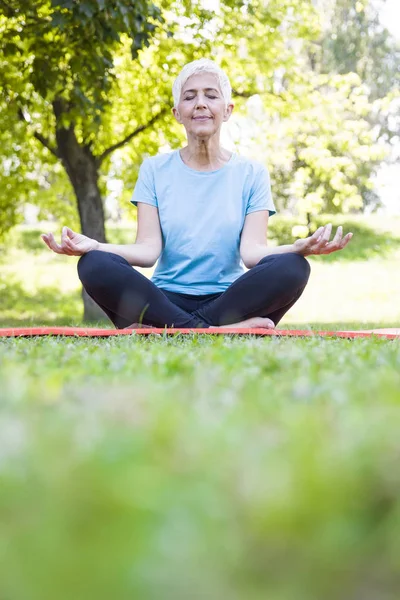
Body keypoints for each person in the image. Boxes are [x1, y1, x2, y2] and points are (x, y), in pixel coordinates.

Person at [41, 58, 353, 330]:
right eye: (190, 97)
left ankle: (166, 329)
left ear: (227, 110)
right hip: (162, 299)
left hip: (230, 300)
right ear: (178, 113)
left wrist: (297, 247)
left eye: (211, 95)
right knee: (93, 264)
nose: (200, 103)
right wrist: (95, 245)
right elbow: (148, 251)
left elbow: (252, 255)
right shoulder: (154, 169)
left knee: (294, 267)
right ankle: (217, 329)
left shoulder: (252, 173)